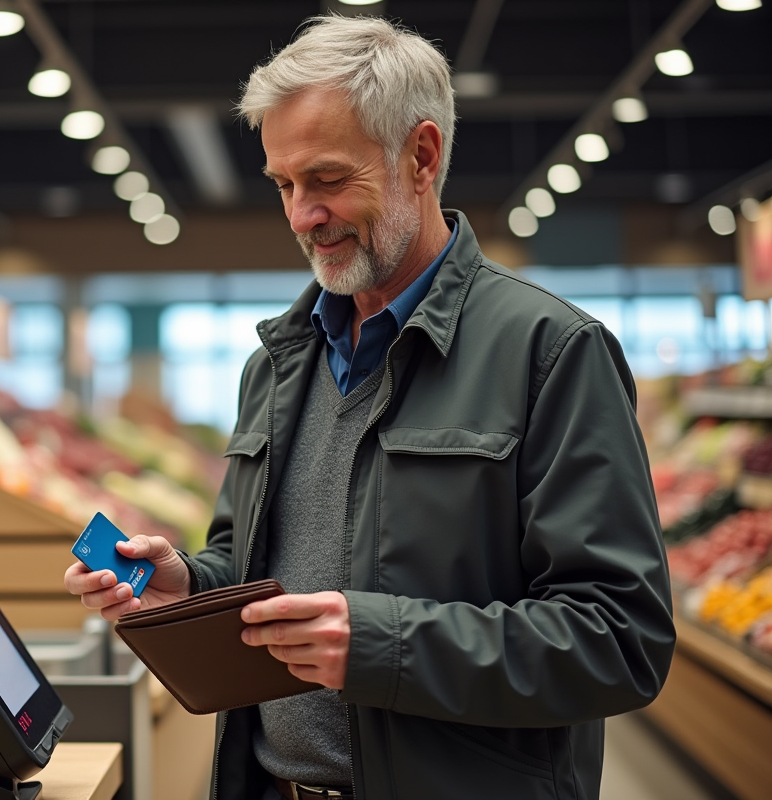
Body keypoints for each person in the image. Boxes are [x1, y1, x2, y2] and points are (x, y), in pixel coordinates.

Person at [65, 15, 675, 800]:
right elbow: (257, 571)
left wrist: (383, 647)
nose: (300, 215)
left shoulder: (550, 351)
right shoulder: (277, 365)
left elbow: (619, 640)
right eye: (283, 185)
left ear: (421, 156)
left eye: (326, 179)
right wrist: (187, 585)